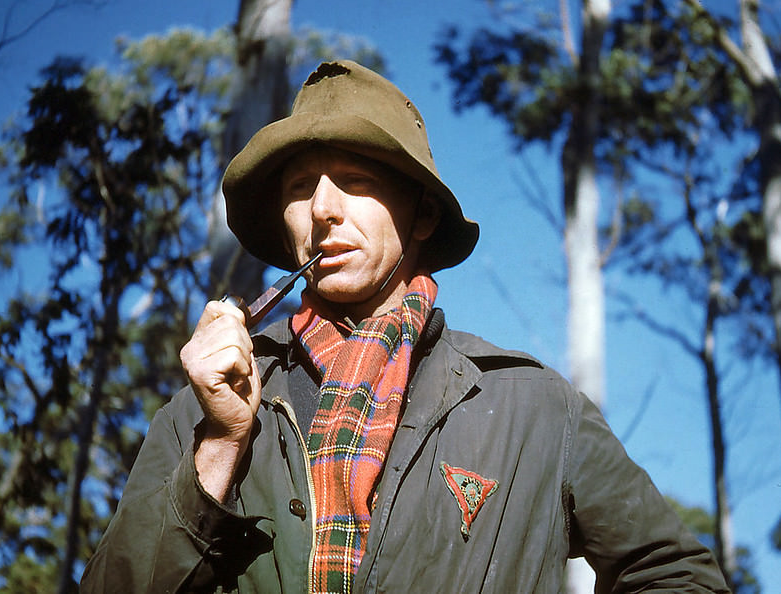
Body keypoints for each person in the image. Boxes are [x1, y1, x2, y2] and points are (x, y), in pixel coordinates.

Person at [81, 60, 729, 593]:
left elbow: (677, 576)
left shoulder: (534, 407)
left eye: (355, 180)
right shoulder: (204, 410)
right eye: (301, 186)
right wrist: (220, 444)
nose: (323, 210)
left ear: (420, 216)